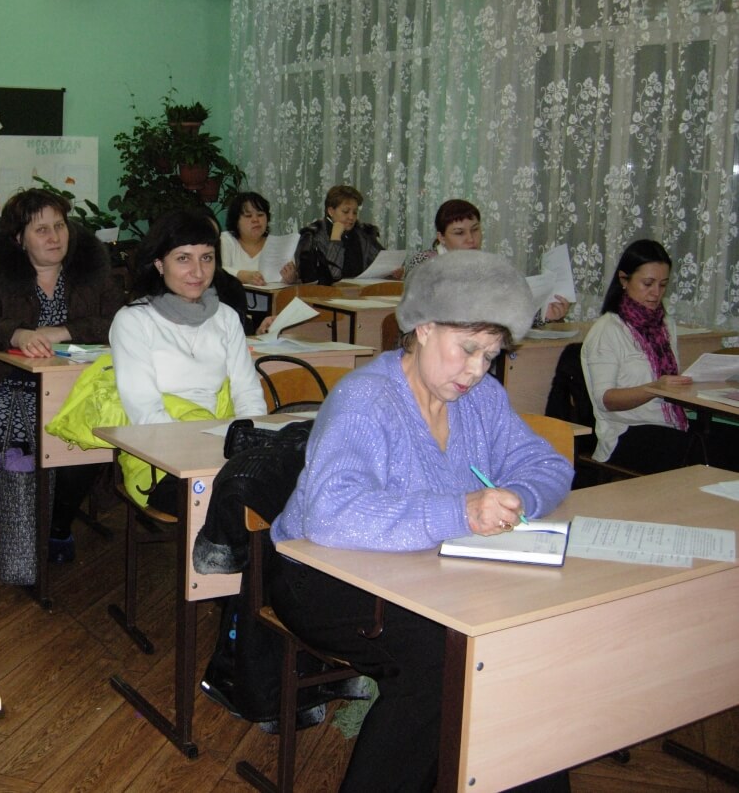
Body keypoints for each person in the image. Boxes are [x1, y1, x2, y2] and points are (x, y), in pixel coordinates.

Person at [269, 250, 574, 791]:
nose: (477, 370)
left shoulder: (481, 399)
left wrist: (517, 496)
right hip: (320, 575)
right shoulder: (365, 399)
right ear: (424, 328)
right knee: (442, 665)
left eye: (491, 354)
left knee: (517, 647)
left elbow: (548, 465)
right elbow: (331, 514)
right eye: (469, 349)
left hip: (427, 573)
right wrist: (461, 511)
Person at [0, 188, 124, 572]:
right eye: (41, 230)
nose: (54, 237)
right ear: (19, 238)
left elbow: (119, 322)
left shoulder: (91, 268)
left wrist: (65, 330)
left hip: (76, 385)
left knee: (89, 432)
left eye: (60, 226)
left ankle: (58, 525)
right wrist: (17, 333)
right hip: (6, 379)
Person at [111, 208, 267, 513]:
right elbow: (145, 412)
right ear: (159, 263)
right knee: (233, 502)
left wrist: (247, 445)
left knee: (281, 490)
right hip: (159, 459)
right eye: (184, 258)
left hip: (225, 448)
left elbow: (247, 392)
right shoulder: (134, 321)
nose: (198, 271)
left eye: (206, 258)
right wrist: (206, 452)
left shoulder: (225, 317)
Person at [580, 239, 702, 473]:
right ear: (624, 280)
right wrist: (654, 388)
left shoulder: (665, 324)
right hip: (625, 431)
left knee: (725, 439)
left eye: (663, 285)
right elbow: (605, 400)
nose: (656, 293)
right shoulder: (608, 329)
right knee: (696, 449)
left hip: (669, 424)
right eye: (648, 283)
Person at [405, 199, 570, 322]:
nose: (471, 239)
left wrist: (544, 314)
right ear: (441, 237)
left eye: (475, 230)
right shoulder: (423, 262)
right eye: (459, 233)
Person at [295, 185, 385, 283]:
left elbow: (381, 264)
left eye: (355, 212)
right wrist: (335, 239)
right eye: (346, 212)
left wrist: (391, 272)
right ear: (331, 211)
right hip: (327, 292)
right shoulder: (314, 237)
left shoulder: (362, 234)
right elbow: (333, 275)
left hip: (361, 290)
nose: (351, 217)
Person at [219, 191, 298, 285]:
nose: (255, 220)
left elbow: (287, 282)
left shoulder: (280, 246)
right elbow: (218, 270)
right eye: (248, 216)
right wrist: (243, 276)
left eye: (260, 215)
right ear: (236, 221)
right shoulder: (226, 240)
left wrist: (291, 278)